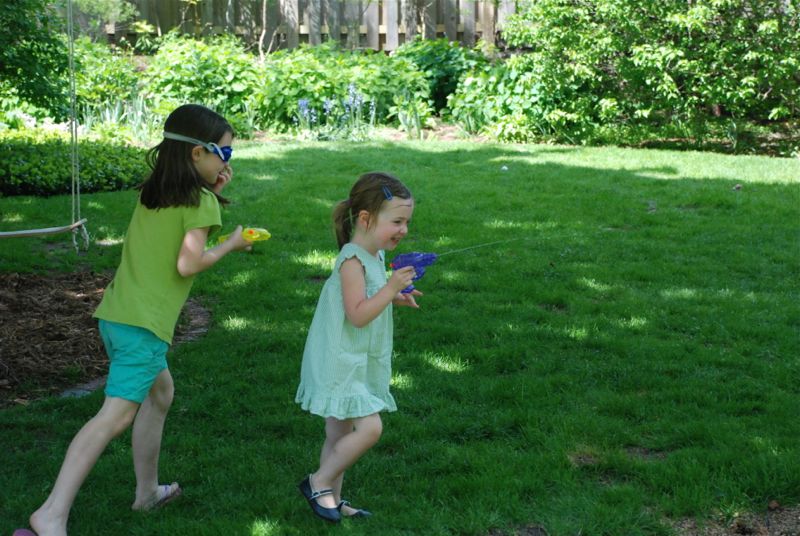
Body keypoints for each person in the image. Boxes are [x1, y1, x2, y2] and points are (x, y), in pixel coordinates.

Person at [22, 104, 253, 536]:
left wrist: (213, 187)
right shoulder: (201, 202)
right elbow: (188, 263)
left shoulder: (154, 192)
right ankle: (51, 513)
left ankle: (147, 492)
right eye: (224, 153)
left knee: (160, 394)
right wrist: (230, 245)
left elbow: (175, 231)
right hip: (144, 327)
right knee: (113, 417)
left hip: (117, 316)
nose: (228, 162)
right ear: (197, 153)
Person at [295, 172, 422, 523]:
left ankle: (331, 500)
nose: (404, 230)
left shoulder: (374, 255)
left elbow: (368, 300)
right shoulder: (352, 261)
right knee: (370, 429)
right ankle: (317, 481)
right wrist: (390, 288)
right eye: (397, 221)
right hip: (341, 361)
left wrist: (394, 296)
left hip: (355, 357)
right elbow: (358, 315)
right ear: (365, 218)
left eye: (407, 222)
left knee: (338, 433)